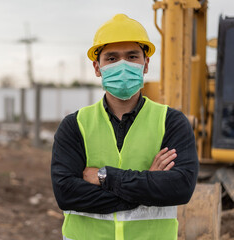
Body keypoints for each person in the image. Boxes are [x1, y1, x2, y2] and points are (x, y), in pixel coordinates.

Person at [51, 14, 198, 240]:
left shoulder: (171, 122)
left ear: (145, 64)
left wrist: (105, 177)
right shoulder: (75, 125)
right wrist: (148, 184)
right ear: (97, 67)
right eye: (111, 58)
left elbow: (180, 188)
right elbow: (67, 194)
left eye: (132, 56)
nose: (122, 65)